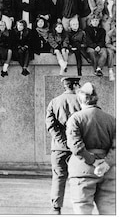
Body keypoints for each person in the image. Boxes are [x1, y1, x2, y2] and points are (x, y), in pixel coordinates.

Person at [66, 82, 116, 215]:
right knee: (109, 210)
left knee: (82, 210)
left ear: (79, 100)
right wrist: (106, 164)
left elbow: (75, 146)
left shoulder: (75, 119)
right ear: (96, 99)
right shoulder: (112, 120)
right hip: (108, 171)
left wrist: (92, 161)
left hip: (82, 171)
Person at [45, 77, 81, 215]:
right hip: (78, 147)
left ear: (65, 86)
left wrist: (62, 141)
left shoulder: (54, 101)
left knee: (58, 177)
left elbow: (51, 125)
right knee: (79, 178)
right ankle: (80, 206)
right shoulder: (83, 101)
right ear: (76, 84)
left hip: (59, 147)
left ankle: (56, 208)